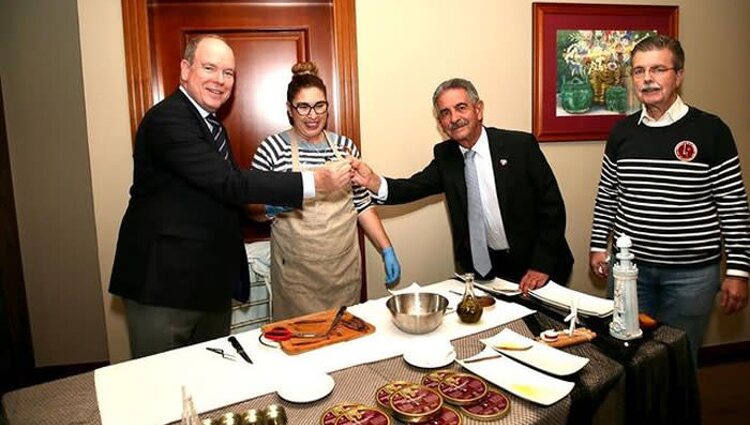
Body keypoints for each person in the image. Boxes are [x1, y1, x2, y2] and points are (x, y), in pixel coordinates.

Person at [109, 35, 351, 358]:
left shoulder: (213, 127)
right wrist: (313, 183)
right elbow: (229, 182)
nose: (220, 80)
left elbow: (223, 197)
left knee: (209, 384)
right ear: (185, 69)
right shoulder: (168, 120)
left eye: (229, 73)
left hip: (209, 285)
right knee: (164, 392)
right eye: (210, 68)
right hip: (165, 288)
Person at [589, 35, 750, 364]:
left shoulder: (711, 131)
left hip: (691, 277)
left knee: (678, 364)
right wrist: (596, 246)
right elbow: (608, 194)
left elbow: (733, 204)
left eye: (658, 69)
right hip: (629, 272)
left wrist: (738, 271)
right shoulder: (622, 132)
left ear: (678, 75)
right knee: (625, 359)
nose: (647, 79)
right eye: (638, 71)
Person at [351, 78, 573, 294]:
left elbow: (552, 208)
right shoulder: (446, 155)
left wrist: (541, 265)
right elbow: (414, 186)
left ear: (478, 109)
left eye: (461, 108)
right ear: (440, 123)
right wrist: (373, 181)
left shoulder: (520, 146)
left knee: (547, 331)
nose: (454, 118)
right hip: (488, 273)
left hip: (539, 265)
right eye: (445, 113)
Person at [251, 62, 400, 320]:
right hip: (295, 278)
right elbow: (251, 209)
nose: (313, 115)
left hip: (342, 272)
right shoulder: (271, 149)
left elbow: (362, 204)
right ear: (289, 109)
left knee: (343, 344)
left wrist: (386, 248)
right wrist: (274, 206)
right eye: (303, 107)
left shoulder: (344, 147)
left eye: (320, 106)